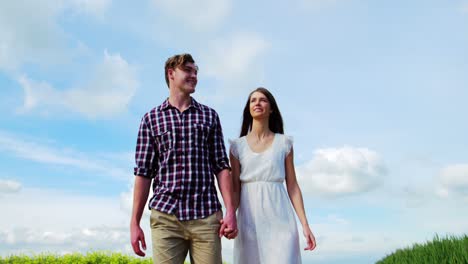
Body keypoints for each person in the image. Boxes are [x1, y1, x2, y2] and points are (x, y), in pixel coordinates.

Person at [130, 53, 237, 264]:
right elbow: (143, 173)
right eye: (188, 70)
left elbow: (221, 167)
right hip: (166, 216)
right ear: (171, 73)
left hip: (206, 215)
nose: (194, 75)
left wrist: (231, 211)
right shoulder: (151, 119)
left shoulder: (209, 116)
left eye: (196, 71)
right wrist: (134, 222)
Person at [228, 87, 316, 264]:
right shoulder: (237, 146)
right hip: (248, 219)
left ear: (271, 108)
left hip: (280, 217)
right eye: (253, 100)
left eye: (263, 100)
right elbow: (235, 190)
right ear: (249, 109)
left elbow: (292, 186)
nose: (257, 103)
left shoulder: (284, 143)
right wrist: (228, 217)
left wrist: (305, 225)